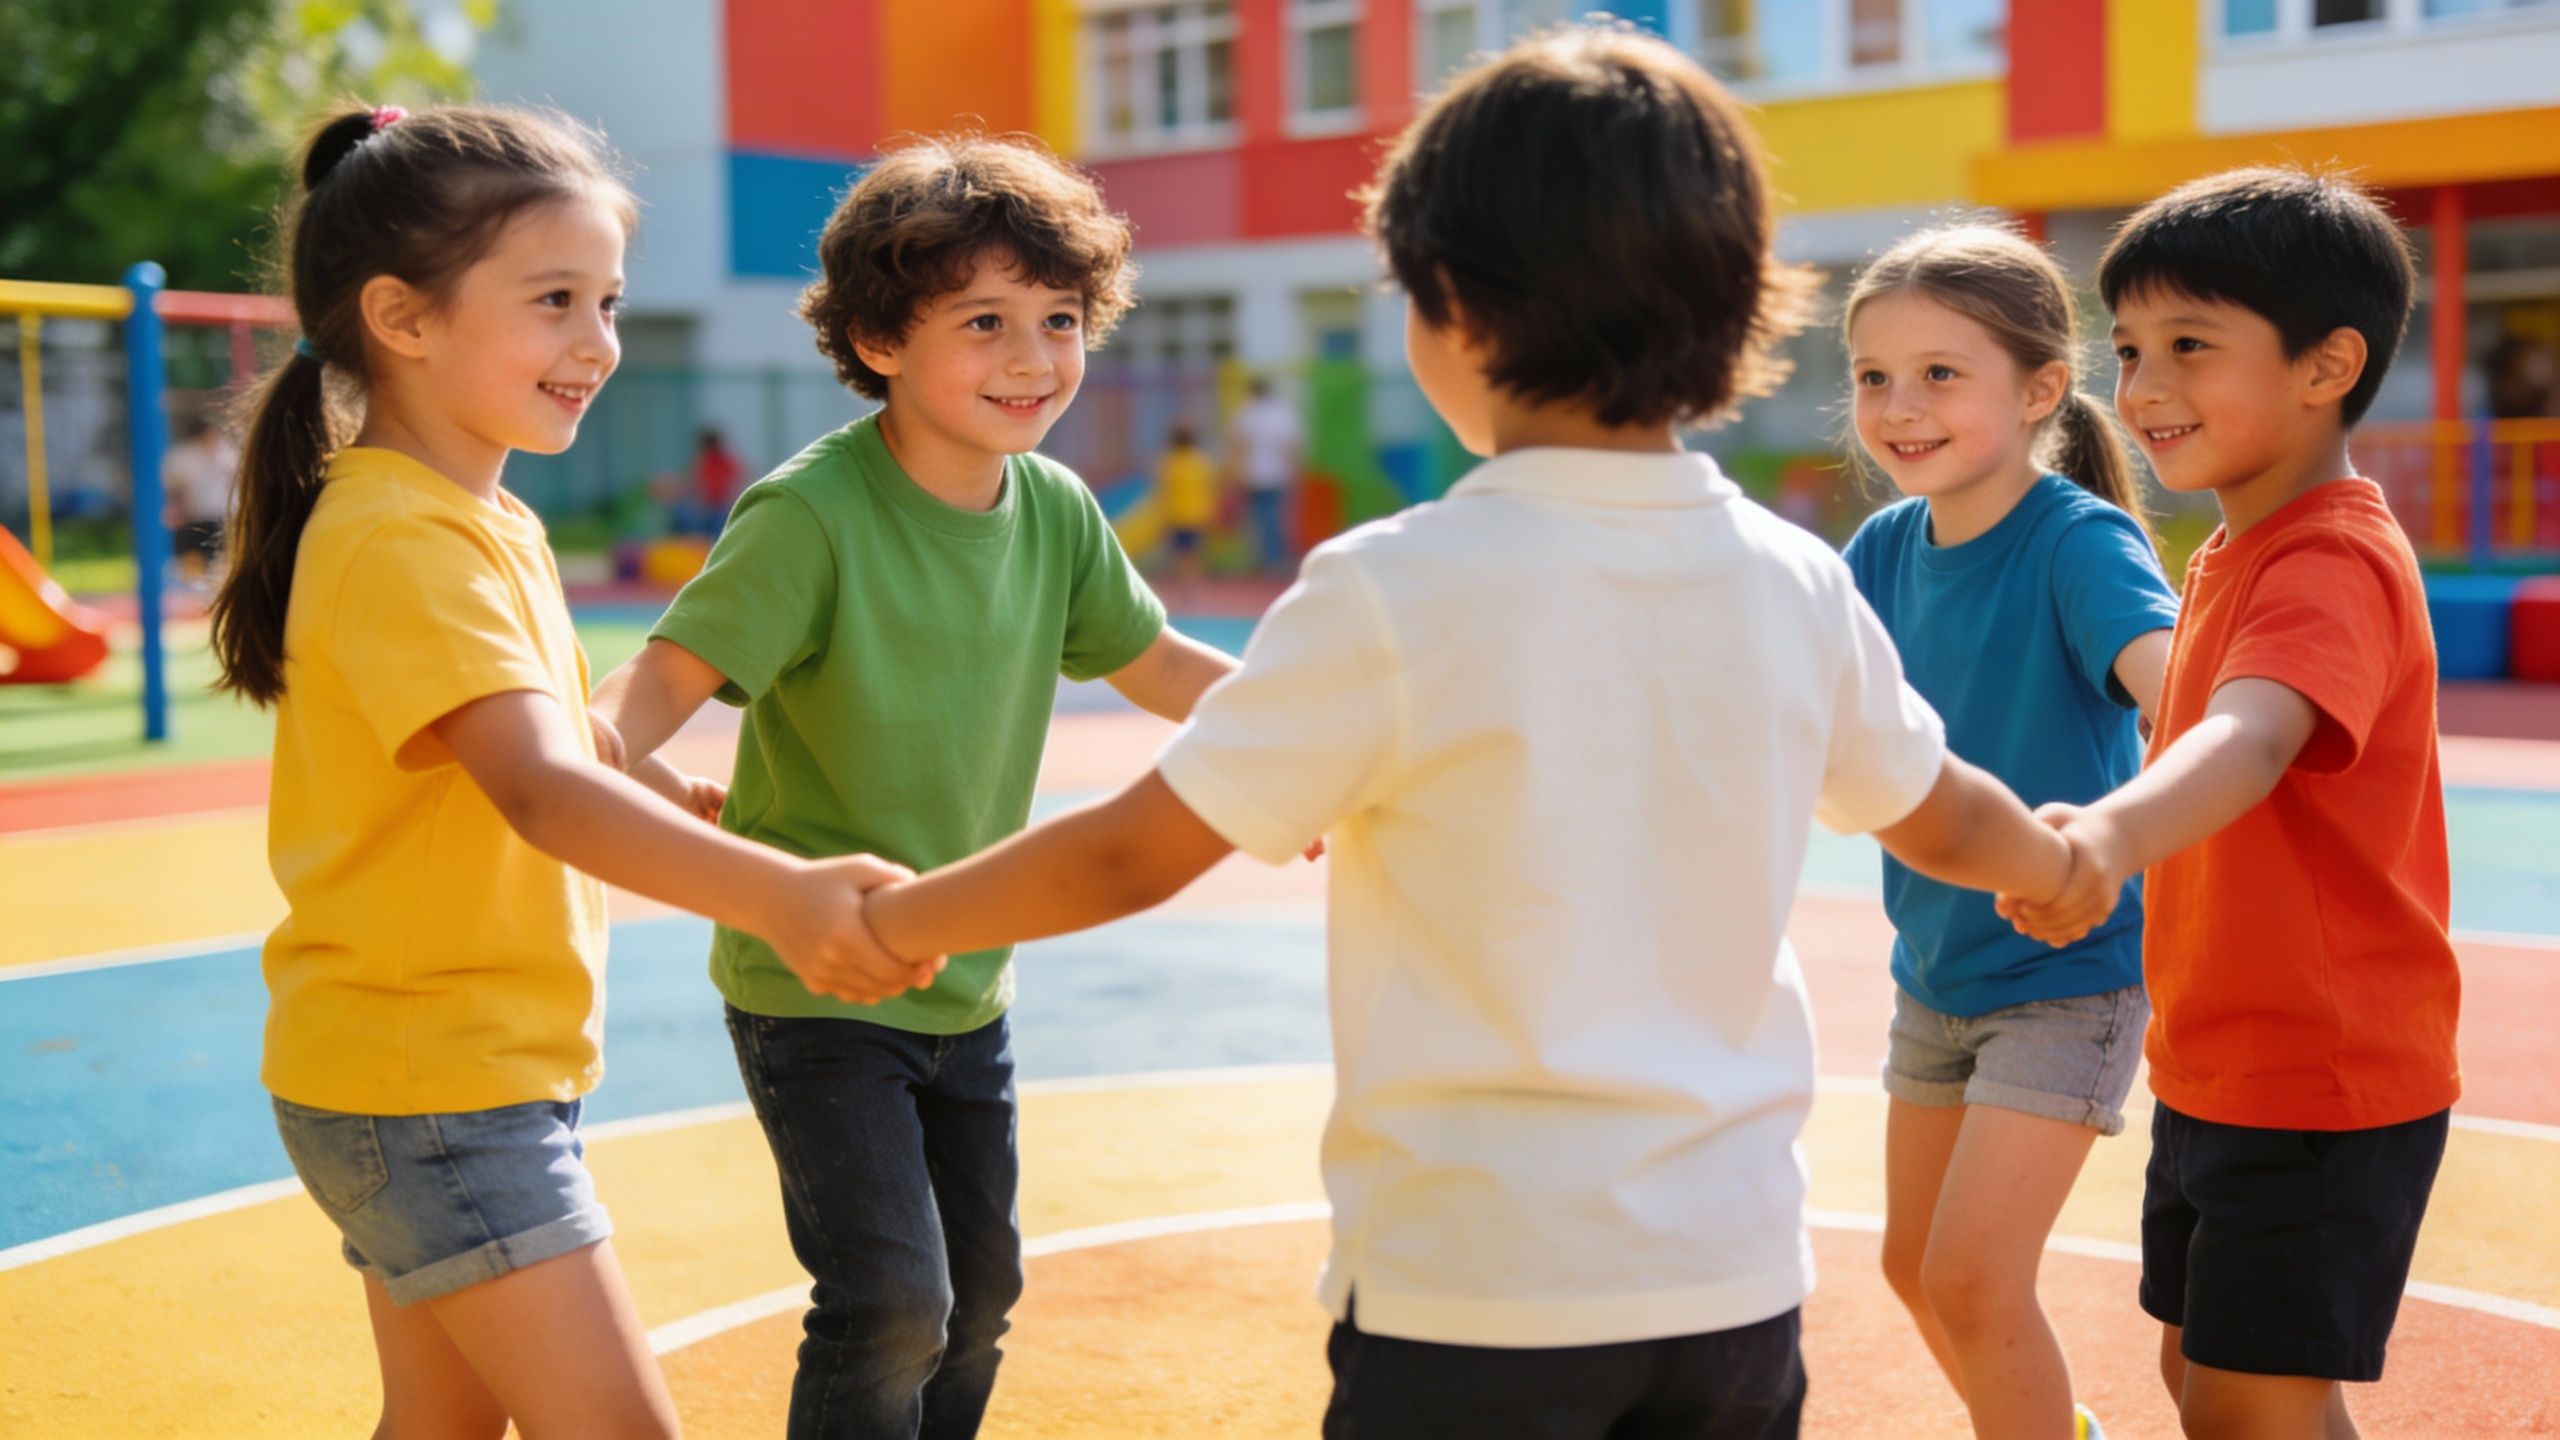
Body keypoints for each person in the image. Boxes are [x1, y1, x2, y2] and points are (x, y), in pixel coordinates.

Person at [850, 30, 2096, 1440]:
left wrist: (898, 920)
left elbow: (1135, 852)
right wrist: (2057, 869)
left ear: (1455, 309)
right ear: (1737, 309)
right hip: (1728, 1286)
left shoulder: (1393, 589)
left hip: (1474, 1290)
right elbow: (1940, 809)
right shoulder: (1791, 574)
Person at [207, 103, 929, 1440]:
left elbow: (542, 738)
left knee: (441, 1429)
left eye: (606, 300)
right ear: (403, 318)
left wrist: (653, 788)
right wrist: (776, 895)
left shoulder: (481, 520)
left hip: (437, 1073)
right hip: (435, 1088)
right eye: (553, 301)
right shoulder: (406, 542)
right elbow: (536, 787)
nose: (596, 343)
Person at [585, 135, 1239, 1440]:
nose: (1033, 358)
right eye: (984, 321)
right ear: (881, 339)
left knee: (980, 1293)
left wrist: (1318, 732)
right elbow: (660, 681)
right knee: (890, 1298)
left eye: (1060, 321)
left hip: (967, 977)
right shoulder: (813, 515)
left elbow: (1160, 663)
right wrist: (615, 744)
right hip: (819, 982)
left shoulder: (1053, 511)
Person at [2001, 167, 2460, 1440]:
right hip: (2219, 1059)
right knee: (2208, 1382)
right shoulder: (2225, 549)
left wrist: (2107, 831)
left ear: (2327, 367)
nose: (2141, 388)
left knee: (2243, 1406)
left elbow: (2248, 738)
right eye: (2131, 348)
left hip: (2318, 1072)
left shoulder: (2328, 558)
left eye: (2189, 347)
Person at [1841, 223, 2180, 1440]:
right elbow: (1781, 701)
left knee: (1972, 1278)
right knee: (1909, 1267)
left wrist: (2123, 820)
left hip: (2064, 971)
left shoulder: (2075, 540)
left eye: (1939, 372)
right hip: (1933, 968)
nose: (1897, 405)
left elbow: (2176, 688)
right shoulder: (1881, 550)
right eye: (1872, 376)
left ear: (2039, 389)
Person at [1229, 375, 1301, 572]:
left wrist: (1234, 472)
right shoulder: (1281, 413)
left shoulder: (1246, 413)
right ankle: (1274, 559)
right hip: (1276, 473)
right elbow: (1288, 445)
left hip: (1252, 473)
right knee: (1275, 518)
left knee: (1256, 519)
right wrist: (1294, 470)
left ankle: (1261, 558)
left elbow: (1239, 446)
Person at [163, 413, 238, 585]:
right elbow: (175, 488)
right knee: (194, 555)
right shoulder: (185, 456)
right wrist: (179, 509)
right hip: (197, 516)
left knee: (221, 557)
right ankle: (193, 587)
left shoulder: (225, 453)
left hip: (224, 515)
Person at [1155, 420, 1218, 603]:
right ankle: (1192, 589)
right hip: (1197, 515)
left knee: (1181, 555)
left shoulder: (1169, 462)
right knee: (1193, 554)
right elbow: (1208, 487)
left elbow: (1164, 490)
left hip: (1177, 515)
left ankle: (1186, 589)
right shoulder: (1200, 461)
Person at [687, 426, 744, 535]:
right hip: (708, 507)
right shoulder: (704, 461)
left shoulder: (723, 461)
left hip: (721, 506)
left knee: (717, 526)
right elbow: (695, 483)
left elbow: (735, 481)